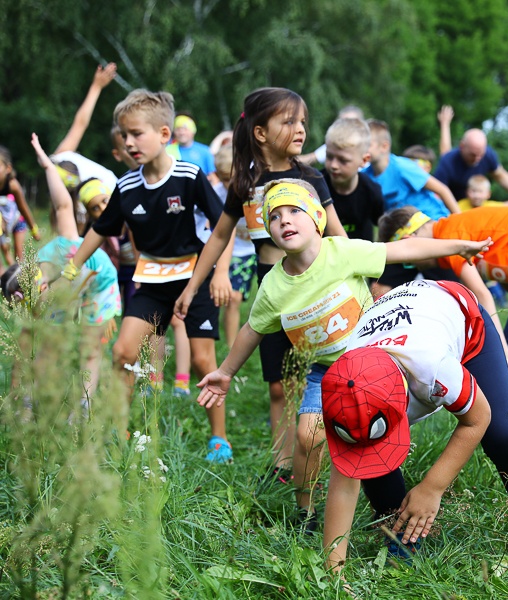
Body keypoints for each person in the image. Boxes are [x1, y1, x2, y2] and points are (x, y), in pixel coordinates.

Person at [194, 180, 491, 529]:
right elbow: (252, 329)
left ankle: (386, 500)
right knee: (308, 435)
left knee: (367, 434)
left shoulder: (341, 253)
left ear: (318, 218)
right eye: (274, 217)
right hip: (323, 372)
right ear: (269, 231)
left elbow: (403, 250)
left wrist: (458, 247)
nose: (284, 221)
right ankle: (305, 511)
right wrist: (226, 372)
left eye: (294, 211)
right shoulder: (273, 287)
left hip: (374, 364)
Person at [321, 280, 508, 571]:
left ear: (406, 399)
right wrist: (333, 570)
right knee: (368, 453)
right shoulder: (344, 391)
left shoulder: (431, 366)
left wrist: (432, 488)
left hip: (464, 323)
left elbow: (477, 418)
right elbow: (345, 482)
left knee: (504, 434)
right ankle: (401, 533)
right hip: (399, 325)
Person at [174, 87, 346, 477]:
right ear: (260, 132)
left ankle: (327, 456)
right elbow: (219, 237)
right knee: (278, 384)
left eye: (302, 121)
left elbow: (337, 237)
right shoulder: (244, 184)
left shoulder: (311, 178)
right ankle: (283, 465)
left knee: (324, 377)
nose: (300, 129)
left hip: (319, 290)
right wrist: (190, 287)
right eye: (289, 121)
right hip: (273, 290)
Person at [63, 88, 233, 462]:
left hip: (195, 276)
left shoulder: (189, 176)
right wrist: (70, 267)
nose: (128, 142)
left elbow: (225, 222)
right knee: (123, 352)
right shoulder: (125, 186)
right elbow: (99, 229)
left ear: (163, 135)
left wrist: (220, 273)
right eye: (124, 135)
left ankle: (219, 438)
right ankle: (119, 433)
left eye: (136, 133)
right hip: (152, 281)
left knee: (206, 362)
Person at [378, 205, 508, 468]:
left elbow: (484, 296)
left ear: (411, 240)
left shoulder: (448, 238)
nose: (416, 262)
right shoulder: (450, 231)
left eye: (410, 257)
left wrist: (501, 349)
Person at [7, 134, 121, 404]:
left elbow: (63, 205)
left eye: (31, 304)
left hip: (100, 283)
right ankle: (30, 403)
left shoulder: (64, 247)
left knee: (90, 350)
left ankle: (83, 408)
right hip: (67, 293)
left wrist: (48, 166)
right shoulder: (37, 297)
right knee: (42, 347)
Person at [363, 119, 459, 218]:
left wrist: (461, 221)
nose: (362, 149)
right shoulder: (365, 175)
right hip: (406, 228)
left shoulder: (402, 167)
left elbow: (442, 190)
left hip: (433, 220)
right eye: (360, 145)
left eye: (367, 145)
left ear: (384, 146)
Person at [211, 145, 255, 348]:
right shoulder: (217, 194)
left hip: (250, 252)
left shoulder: (255, 192)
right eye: (224, 179)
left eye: (232, 178)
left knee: (236, 298)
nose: (229, 185)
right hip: (228, 252)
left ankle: (235, 345)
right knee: (231, 298)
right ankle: (230, 347)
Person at [51, 63, 120, 191]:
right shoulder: (59, 165)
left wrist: (96, 87)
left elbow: (80, 124)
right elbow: (80, 124)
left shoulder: (60, 160)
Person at [433, 123, 508, 206]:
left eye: (480, 155)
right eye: (473, 155)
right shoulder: (448, 161)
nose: (477, 159)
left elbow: (501, 176)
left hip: (479, 207)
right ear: (462, 146)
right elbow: (438, 192)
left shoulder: (488, 154)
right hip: (454, 206)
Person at [321, 118, 384, 241]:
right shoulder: (315, 186)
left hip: (360, 257)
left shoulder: (372, 192)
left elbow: (382, 227)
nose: (333, 165)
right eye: (329, 156)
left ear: (364, 160)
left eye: (343, 160)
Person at [0, 145, 40, 264]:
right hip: (1, 221)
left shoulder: (13, 185)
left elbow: (23, 208)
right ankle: (6, 279)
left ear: (8, 168)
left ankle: (19, 278)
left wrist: (34, 228)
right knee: (5, 251)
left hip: (17, 219)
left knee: (19, 255)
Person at [299, 105, 365, 166]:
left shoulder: (369, 148)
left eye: (350, 123)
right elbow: (308, 159)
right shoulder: (333, 147)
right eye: (342, 123)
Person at [170, 112, 216, 180]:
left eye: (185, 129)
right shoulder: (168, 150)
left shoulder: (205, 151)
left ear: (193, 131)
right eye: (178, 129)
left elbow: (213, 177)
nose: (182, 133)